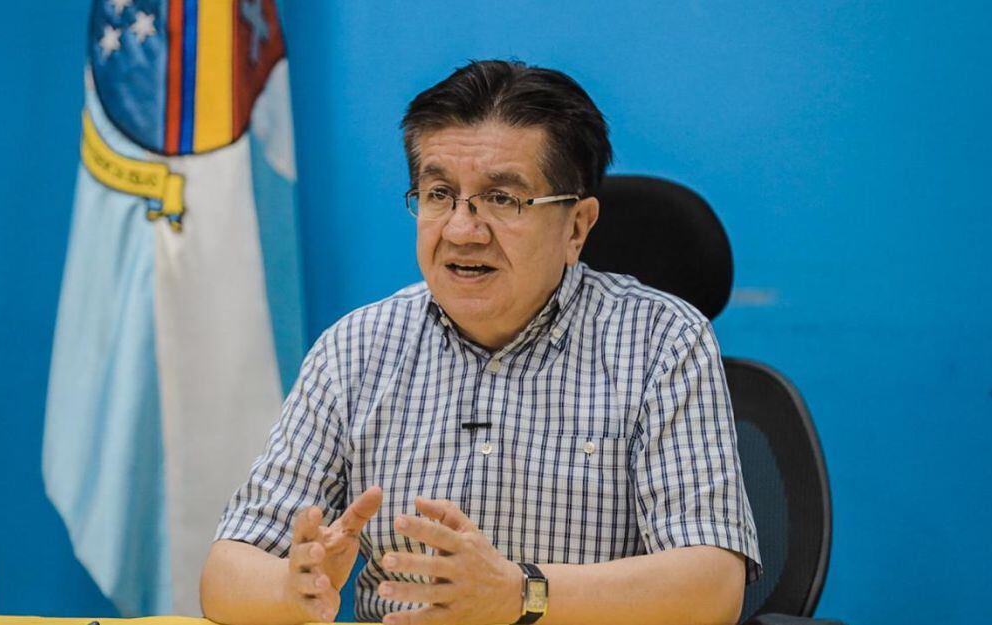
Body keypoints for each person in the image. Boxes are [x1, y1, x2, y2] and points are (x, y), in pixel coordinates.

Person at [200, 60, 761, 625]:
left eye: (502, 199)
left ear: (577, 227)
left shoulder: (661, 343)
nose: (462, 230)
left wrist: (520, 594)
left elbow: (712, 587)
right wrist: (290, 589)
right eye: (440, 194)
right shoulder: (357, 349)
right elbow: (225, 573)